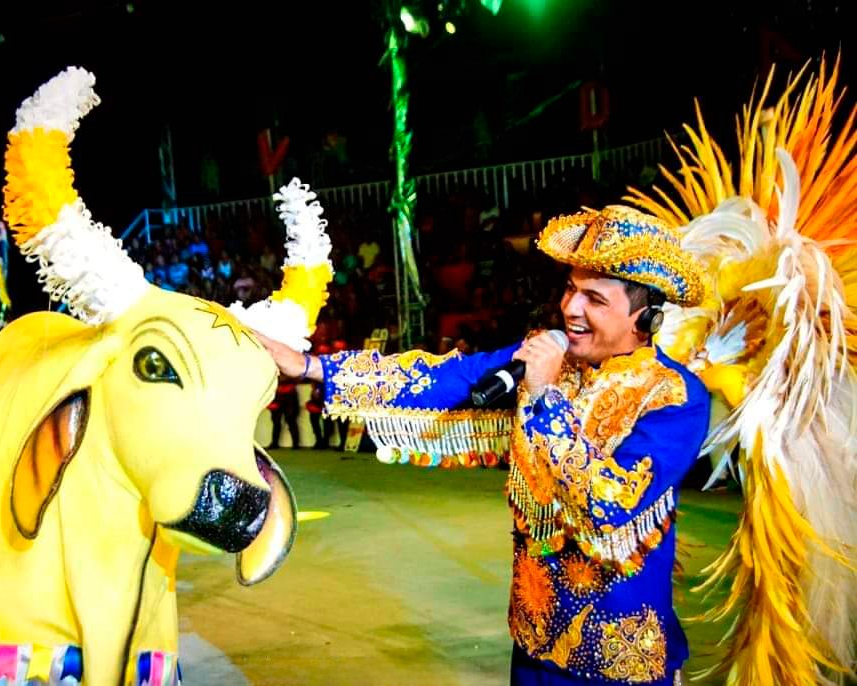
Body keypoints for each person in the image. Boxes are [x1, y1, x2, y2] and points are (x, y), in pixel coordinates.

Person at [257, 205, 709, 685]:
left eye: (595, 300)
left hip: (617, 659)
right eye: (571, 289)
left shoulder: (675, 396)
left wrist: (544, 396)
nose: (570, 309)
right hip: (534, 640)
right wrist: (312, 368)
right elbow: (442, 377)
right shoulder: (547, 360)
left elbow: (610, 504)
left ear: (646, 317)